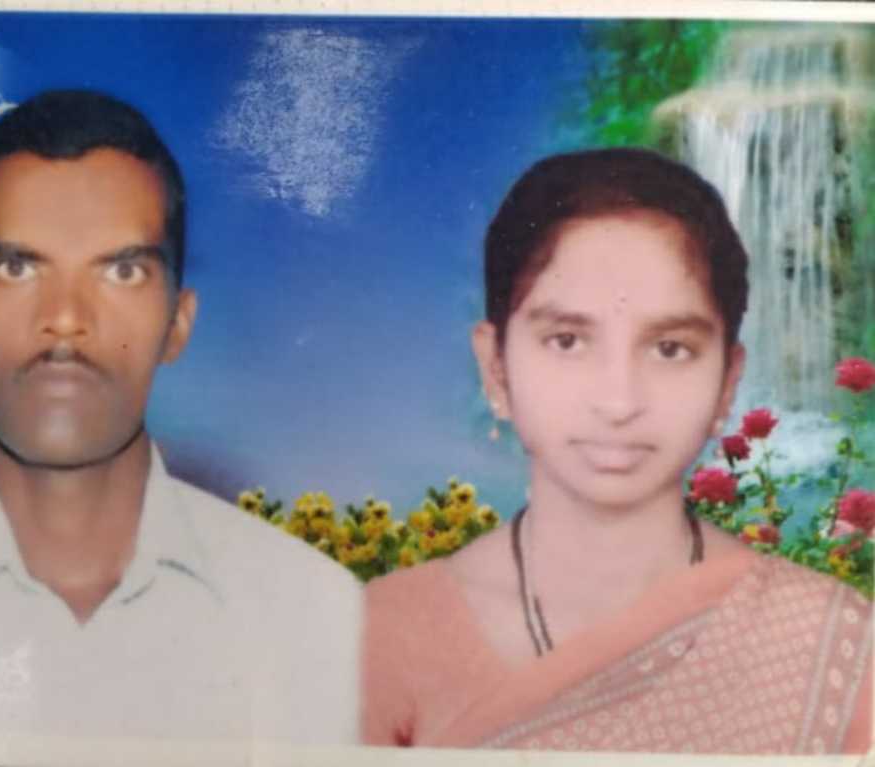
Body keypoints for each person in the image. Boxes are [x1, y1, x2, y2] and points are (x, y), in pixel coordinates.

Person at [0, 90, 361, 746]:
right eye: (17, 267)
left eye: (122, 270)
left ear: (178, 323)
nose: (65, 318)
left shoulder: (323, 619)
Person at [361, 148, 872, 754]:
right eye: (567, 340)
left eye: (670, 349)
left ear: (727, 382)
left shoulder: (833, 648)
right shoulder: (385, 634)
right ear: (495, 367)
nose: (619, 401)